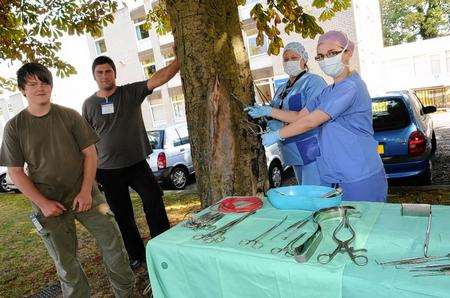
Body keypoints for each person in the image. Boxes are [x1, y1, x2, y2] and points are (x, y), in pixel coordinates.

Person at [0, 63, 134, 297]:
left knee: (113, 245)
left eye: (44, 82)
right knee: (65, 262)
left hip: (88, 197)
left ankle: (126, 293)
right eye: (33, 84)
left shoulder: (69, 116)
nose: (40, 88)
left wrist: (85, 192)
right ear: (23, 90)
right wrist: (43, 203)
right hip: (49, 205)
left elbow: (90, 153)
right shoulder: (14, 127)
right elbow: (16, 172)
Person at [247, 31, 387, 202]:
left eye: (332, 53)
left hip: (359, 171)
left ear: (348, 53)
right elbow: (300, 115)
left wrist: (277, 135)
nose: (326, 59)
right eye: (321, 56)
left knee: (363, 224)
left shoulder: (351, 86)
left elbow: (311, 121)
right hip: (338, 170)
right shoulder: (329, 90)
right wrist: (267, 111)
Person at [82, 55, 180, 269]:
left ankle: (163, 245)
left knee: (154, 201)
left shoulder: (130, 93)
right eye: (100, 72)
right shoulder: (89, 105)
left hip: (137, 165)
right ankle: (137, 255)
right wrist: (92, 172)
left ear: (114, 73)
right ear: (94, 76)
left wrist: (178, 60)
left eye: (108, 71)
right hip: (107, 171)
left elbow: (158, 79)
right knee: (123, 216)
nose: (104, 76)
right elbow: (87, 142)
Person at [248, 42, 327, 185]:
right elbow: (275, 113)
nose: (289, 62)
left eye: (294, 58)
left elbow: (308, 118)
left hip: (311, 151)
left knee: (316, 196)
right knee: (305, 194)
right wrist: (264, 115)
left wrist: (270, 111)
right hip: (291, 152)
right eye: (286, 59)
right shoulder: (281, 89)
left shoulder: (314, 82)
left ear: (304, 59)